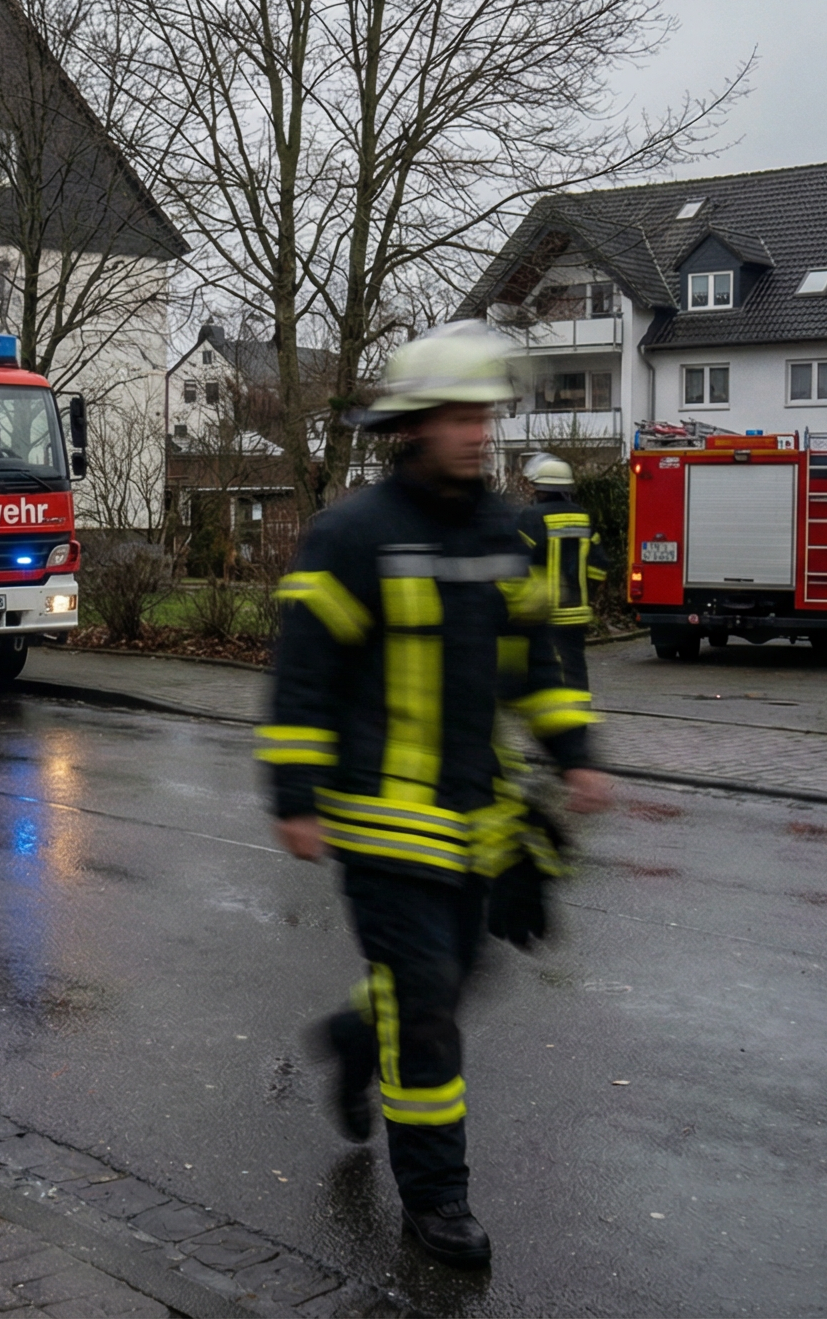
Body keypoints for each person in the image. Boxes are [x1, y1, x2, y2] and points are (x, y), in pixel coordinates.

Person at [262, 323, 612, 1267]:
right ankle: (436, 1202)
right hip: (380, 825)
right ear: (413, 427)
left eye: (485, 414)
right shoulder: (351, 537)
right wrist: (293, 794)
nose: (479, 431)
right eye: (460, 415)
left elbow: (534, 665)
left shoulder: (505, 532)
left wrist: (575, 752)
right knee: (427, 1006)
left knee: (453, 980)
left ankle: (348, 1037)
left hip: (476, 821)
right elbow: (303, 681)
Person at [515, 454, 606, 692]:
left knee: (543, 669)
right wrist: (587, 593)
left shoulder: (531, 517)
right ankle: (579, 714)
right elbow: (599, 565)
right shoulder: (583, 518)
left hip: (542, 612)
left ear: (541, 489)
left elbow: (517, 562)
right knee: (575, 666)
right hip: (576, 613)